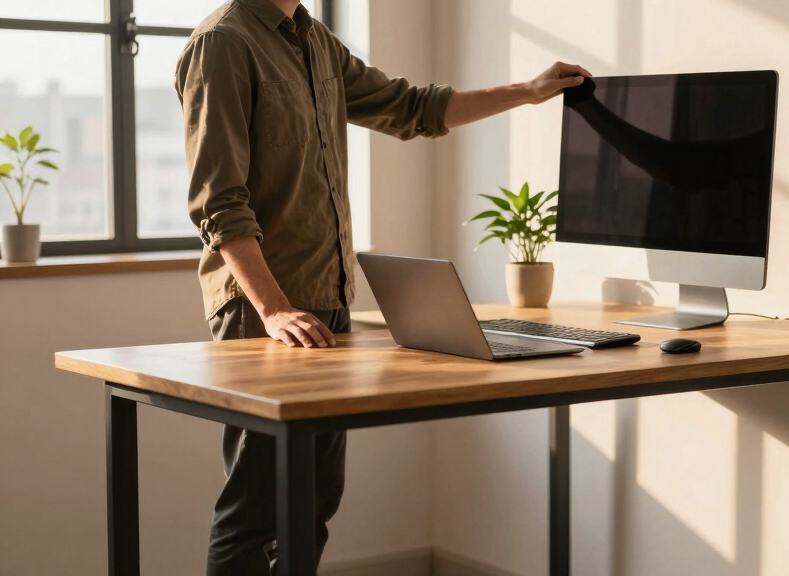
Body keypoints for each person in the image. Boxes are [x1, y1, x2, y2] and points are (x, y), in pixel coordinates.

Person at [174, 0, 589, 573]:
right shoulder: (222, 43)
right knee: (257, 508)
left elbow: (413, 109)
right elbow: (218, 202)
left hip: (328, 303)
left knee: (313, 502)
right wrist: (273, 310)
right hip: (265, 311)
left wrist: (528, 90)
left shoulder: (315, 41)